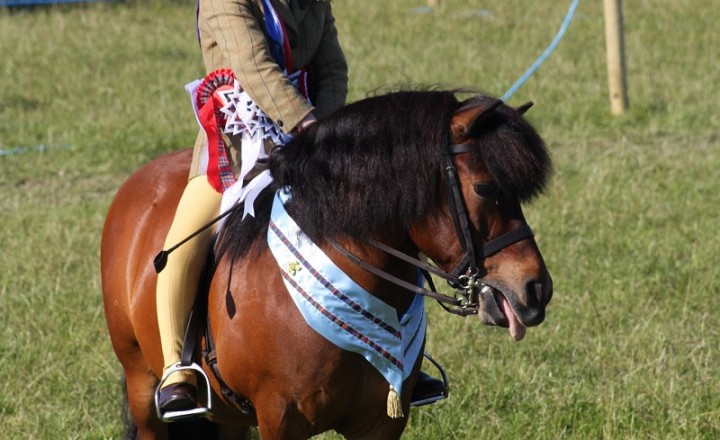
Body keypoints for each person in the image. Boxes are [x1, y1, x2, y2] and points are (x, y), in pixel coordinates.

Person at [155, 0, 348, 413]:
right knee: (180, 250)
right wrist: (305, 123)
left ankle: (393, 352)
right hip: (234, 153)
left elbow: (332, 68)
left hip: (309, 144)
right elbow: (253, 64)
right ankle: (176, 369)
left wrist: (323, 134)